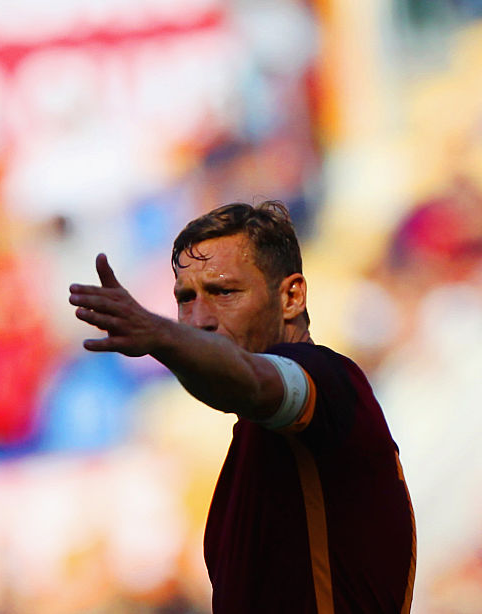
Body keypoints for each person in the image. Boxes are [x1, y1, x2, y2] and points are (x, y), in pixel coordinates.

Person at [69, 201, 415, 613]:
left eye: (224, 292)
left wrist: (159, 335)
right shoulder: (257, 444)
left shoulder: (326, 380)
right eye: (185, 298)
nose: (199, 319)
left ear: (291, 297)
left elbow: (252, 379)